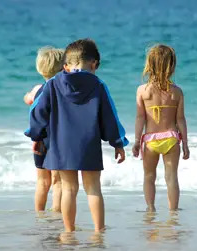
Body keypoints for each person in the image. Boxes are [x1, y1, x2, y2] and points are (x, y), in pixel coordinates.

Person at [27, 38, 128, 232]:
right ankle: (98, 231)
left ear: (65, 65)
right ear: (94, 64)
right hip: (89, 144)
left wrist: (36, 136)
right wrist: (118, 142)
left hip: (61, 145)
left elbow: (38, 113)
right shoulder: (98, 85)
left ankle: (68, 231)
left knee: (69, 189)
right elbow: (109, 116)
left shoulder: (53, 84)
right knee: (93, 188)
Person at [132, 44, 190, 212]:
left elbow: (140, 117)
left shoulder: (143, 91)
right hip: (171, 138)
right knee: (171, 177)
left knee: (149, 176)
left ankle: (150, 208)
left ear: (149, 65)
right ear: (171, 66)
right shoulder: (177, 92)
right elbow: (180, 119)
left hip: (151, 140)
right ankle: (173, 210)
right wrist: (185, 143)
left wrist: (137, 141)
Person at [24, 46, 64, 212]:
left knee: (42, 180)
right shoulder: (63, 90)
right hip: (58, 139)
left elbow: (28, 98)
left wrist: (29, 97)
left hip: (39, 138)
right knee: (58, 180)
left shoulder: (37, 89)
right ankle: (56, 213)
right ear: (63, 67)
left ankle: (39, 213)